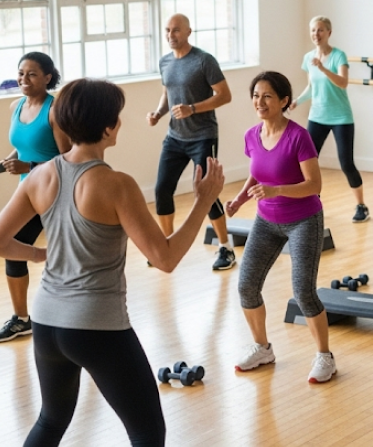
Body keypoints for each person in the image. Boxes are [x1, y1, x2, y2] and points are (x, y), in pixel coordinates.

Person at [0, 78, 225, 446]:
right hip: (96, 325)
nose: (119, 124)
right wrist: (203, 201)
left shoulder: (39, 176)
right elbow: (164, 258)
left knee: (51, 420)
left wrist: (40, 254)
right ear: (107, 127)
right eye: (117, 118)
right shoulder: (117, 184)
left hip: (46, 321)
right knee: (147, 433)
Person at [226, 71, 335, 383]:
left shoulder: (298, 136)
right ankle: (262, 348)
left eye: (267, 96)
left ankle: (325, 357)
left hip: (303, 220)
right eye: (256, 95)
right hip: (266, 220)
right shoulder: (252, 136)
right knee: (246, 285)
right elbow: (257, 174)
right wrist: (239, 199)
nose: (259, 102)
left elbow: (314, 184)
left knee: (303, 291)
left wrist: (277, 190)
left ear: (284, 101)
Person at [147, 13, 236, 270]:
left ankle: (226, 248)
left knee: (205, 193)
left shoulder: (203, 61)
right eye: (167, 30)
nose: (170, 35)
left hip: (202, 136)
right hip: (174, 136)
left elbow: (225, 95)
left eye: (176, 30)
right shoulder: (165, 62)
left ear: (188, 32)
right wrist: (158, 113)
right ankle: (166, 246)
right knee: (162, 189)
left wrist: (193, 108)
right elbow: (168, 94)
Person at [0, 53, 70, 343]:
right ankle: (21, 319)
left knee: (19, 246)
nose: (23, 80)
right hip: (27, 190)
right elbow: (24, 146)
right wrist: (12, 160)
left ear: (47, 78)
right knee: (11, 246)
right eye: (20, 73)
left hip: (54, 191)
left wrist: (29, 166)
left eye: (31, 74)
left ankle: (69, 314)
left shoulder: (56, 111)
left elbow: (68, 159)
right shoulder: (17, 106)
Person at [293, 15, 369, 223]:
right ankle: (311, 202)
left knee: (346, 162)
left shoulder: (339, 56)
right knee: (308, 161)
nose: (316, 34)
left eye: (320, 30)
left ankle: (361, 205)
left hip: (341, 117)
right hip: (317, 116)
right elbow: (312, 87)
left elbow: (343, 82)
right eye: (313, 31)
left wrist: (324, 68)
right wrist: (296, 102)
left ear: (329, 33)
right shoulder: (308, 58)